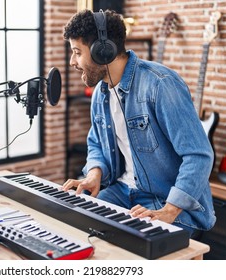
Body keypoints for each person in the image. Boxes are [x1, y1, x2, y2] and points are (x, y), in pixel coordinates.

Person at [62, 9, 216, 238]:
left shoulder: (160, 85)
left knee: (131, 246)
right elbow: (96, 143)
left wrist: (169, 210)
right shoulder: (100, 93)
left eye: (77, 52)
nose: (72, 62)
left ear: (102, 51)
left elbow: (199, 155)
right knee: (75, 224)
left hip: (167, 201)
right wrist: (95, 174)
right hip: (122, 192)